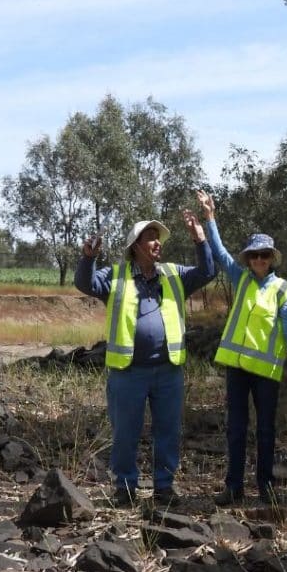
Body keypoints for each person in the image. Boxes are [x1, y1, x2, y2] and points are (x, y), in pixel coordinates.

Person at [76, 212, 215, 508]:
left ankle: (164, 487)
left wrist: (200, 239)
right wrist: (88, 258)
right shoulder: (115, 275)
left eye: (158, 238)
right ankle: (125, 487)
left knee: (167, 430)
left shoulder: (174, 274)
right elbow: (85, 284)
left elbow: (207, 272)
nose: (157, 243)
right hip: (128, 373)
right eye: (151, 238)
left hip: (168, 371)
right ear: (135, 246)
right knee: (125, 432)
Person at [196, 190, 287, 506]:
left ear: (272, 258)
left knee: (266, 431)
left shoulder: (284, 289)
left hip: (267, 372)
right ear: (248, 259)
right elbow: (219, 252)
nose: (259, 260)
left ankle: (266, 486)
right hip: (237, 369)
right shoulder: (241, 278)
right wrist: (210, 216)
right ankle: (233, 487)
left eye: (264, 255)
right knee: (235, 429)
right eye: (254, 255)